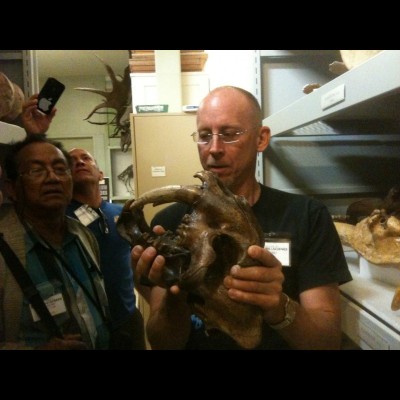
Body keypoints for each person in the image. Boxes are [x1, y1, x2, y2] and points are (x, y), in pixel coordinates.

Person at [131, 86, 352, 350]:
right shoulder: (168, 221)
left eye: (229, 134)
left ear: (261, 138)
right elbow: (162, 342)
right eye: (204, 136)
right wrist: (173, 297)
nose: (214, 148)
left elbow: (327, 341)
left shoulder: (307, 217)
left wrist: (278, 306)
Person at [0, 134, 110, 349]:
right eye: (36, 170)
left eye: (61, 169)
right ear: (11, 188)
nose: (53, 178)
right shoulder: (4, 250)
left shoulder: (83, 236)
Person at [66, 148, 146, 350]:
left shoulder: (122, 213)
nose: (80, 162)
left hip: (127, 318)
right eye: (72, 161)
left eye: (86, 158)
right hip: (85, 327)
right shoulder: (60, 219)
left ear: (100, 174)